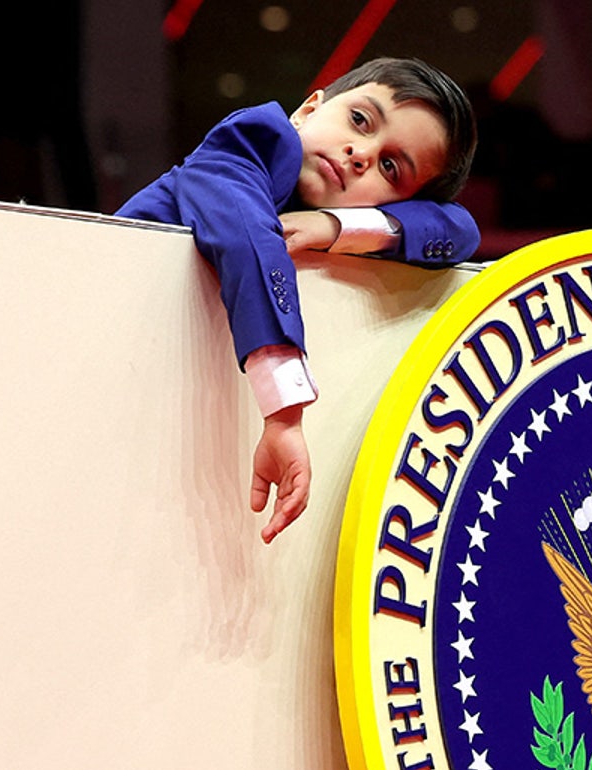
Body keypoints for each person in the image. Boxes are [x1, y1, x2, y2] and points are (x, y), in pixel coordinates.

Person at [117, 57, 479, 543]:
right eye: (360, 120)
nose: (359, 153)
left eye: (390, 167)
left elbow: (460, 230)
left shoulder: (330, 214)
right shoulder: (255, 140)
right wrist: (284, 413)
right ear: (309, 109)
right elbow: (248, 240)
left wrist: (335, 226)